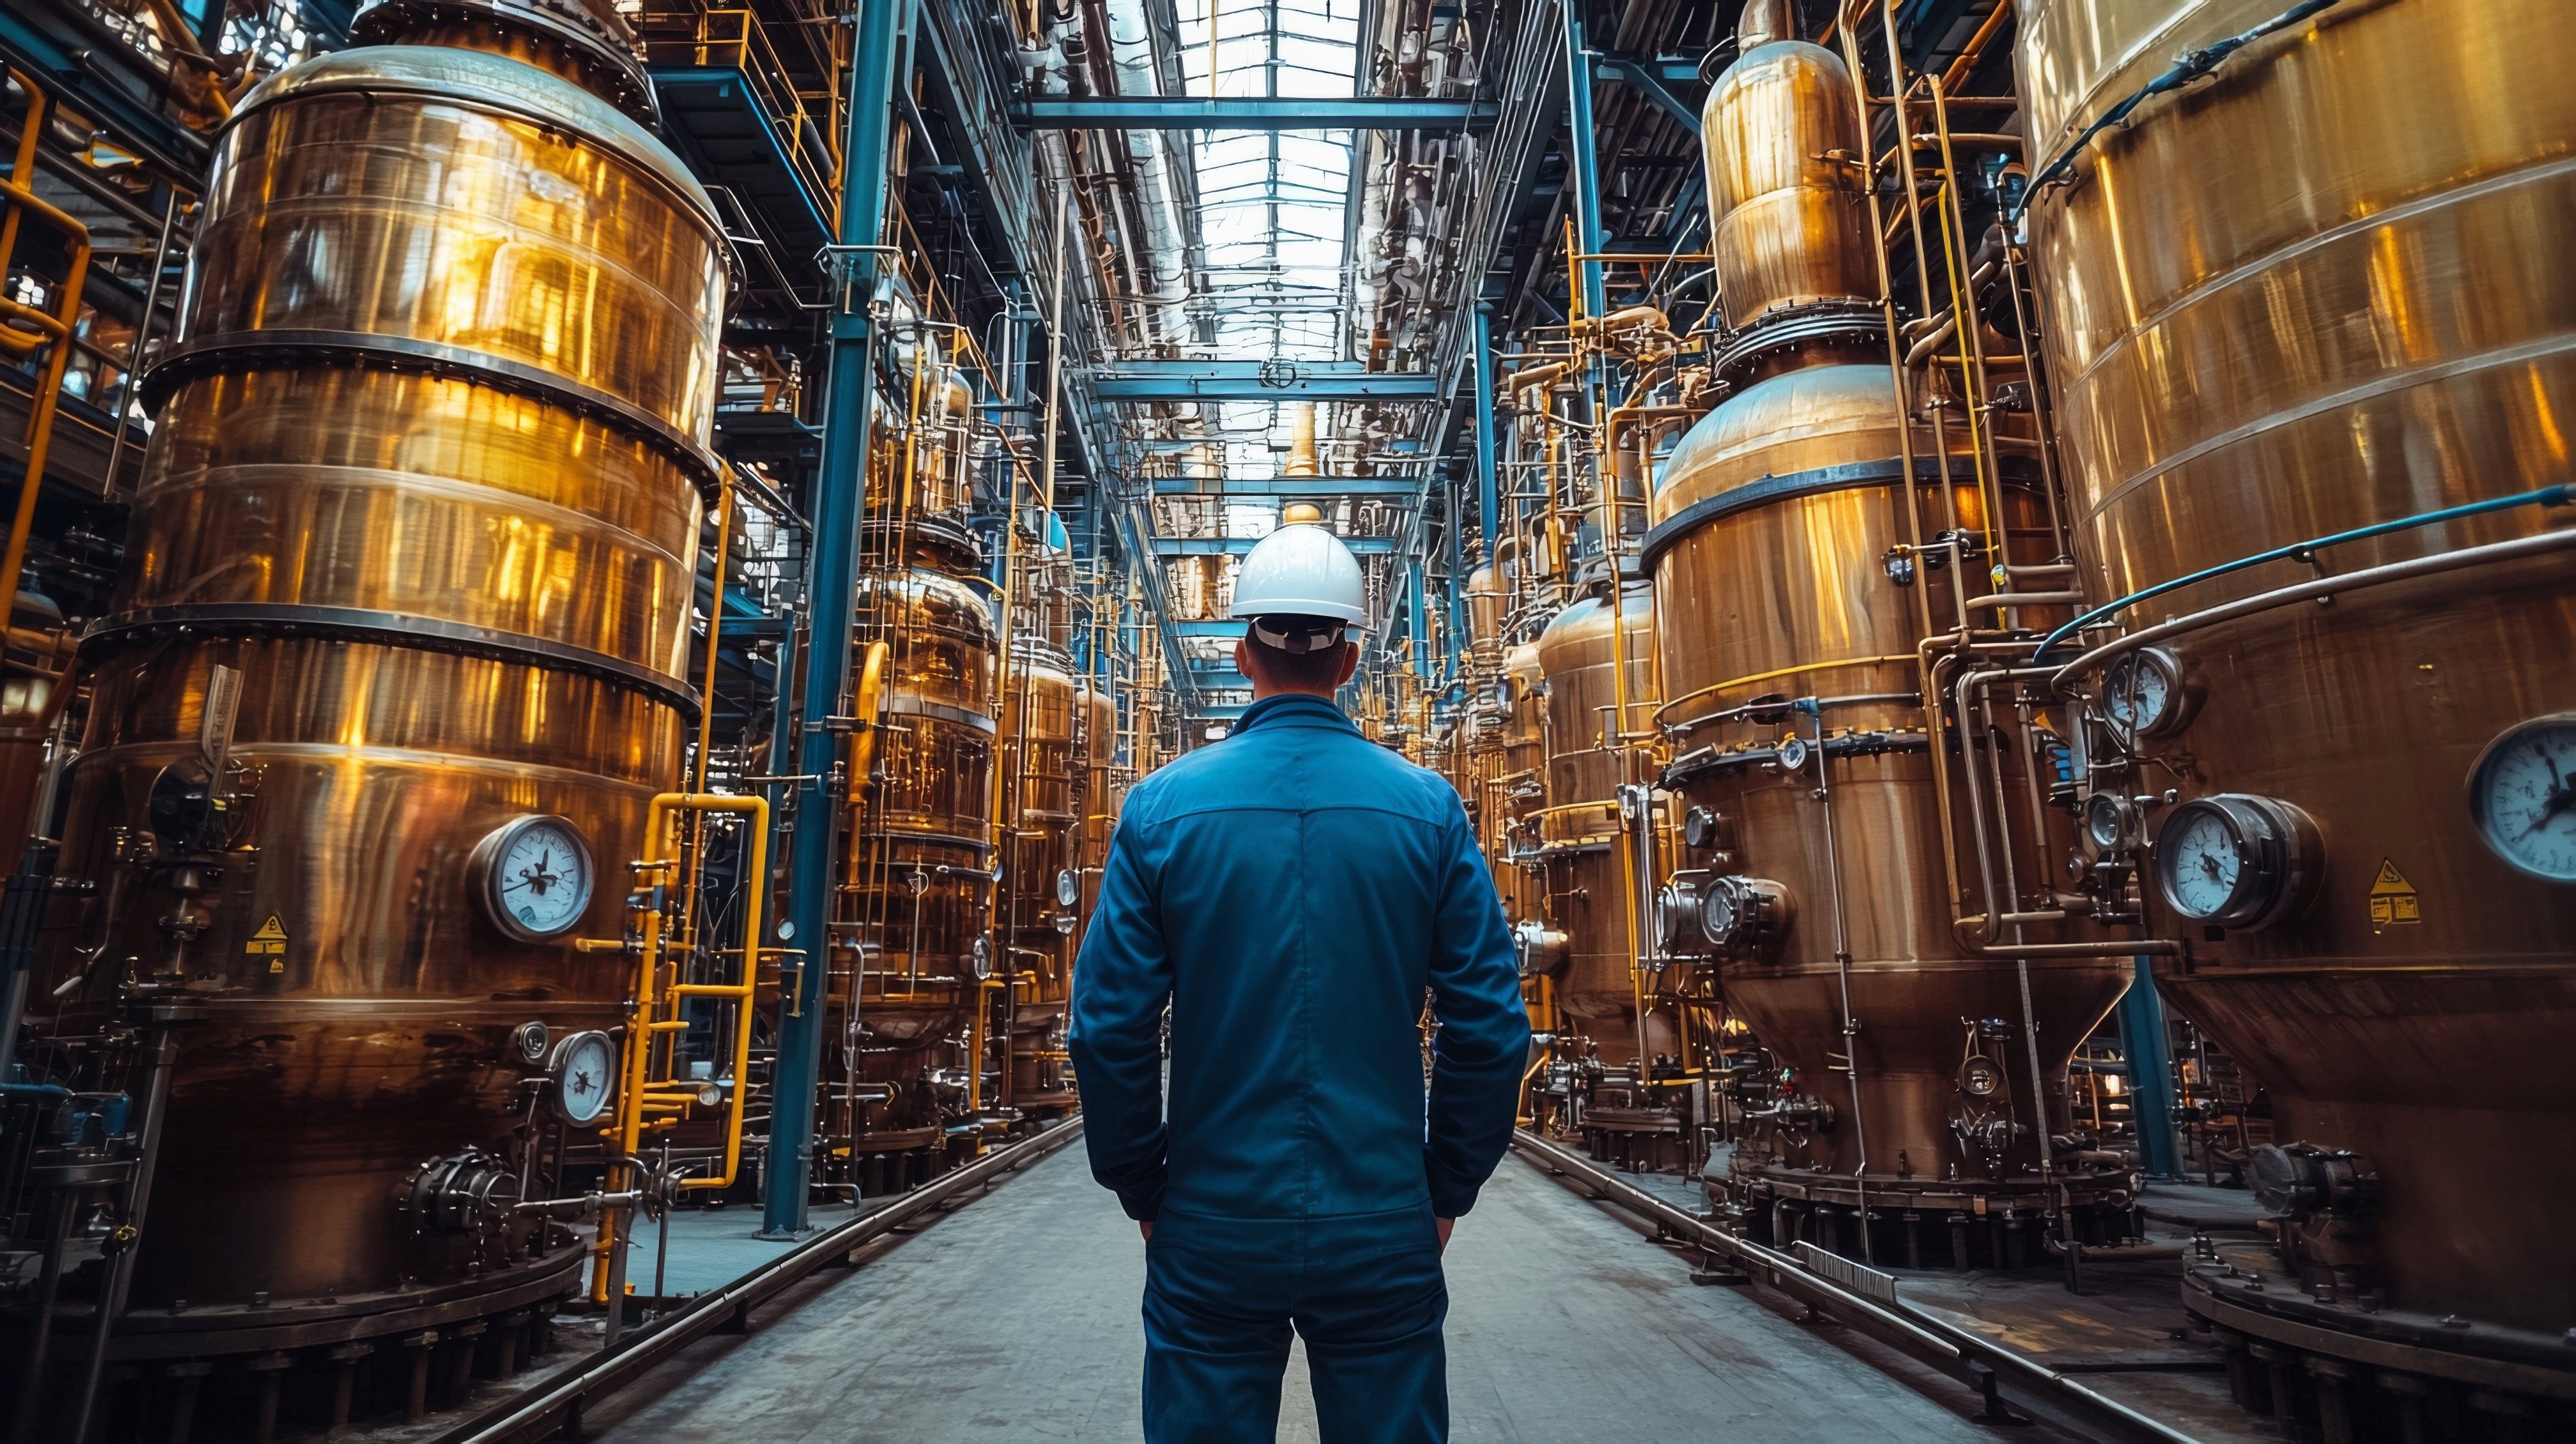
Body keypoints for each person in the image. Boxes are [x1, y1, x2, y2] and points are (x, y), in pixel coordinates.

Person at [1067, 516, 1530, 1444]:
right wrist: (1445, 1188)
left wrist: (1144, 1187)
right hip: (1381, 1217)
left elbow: (1108, 1029)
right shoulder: (1429, 810)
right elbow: (1489, 1028)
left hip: (1213, 1218)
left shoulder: (1160, 810)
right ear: (1350, 659)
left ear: (1243, 653)